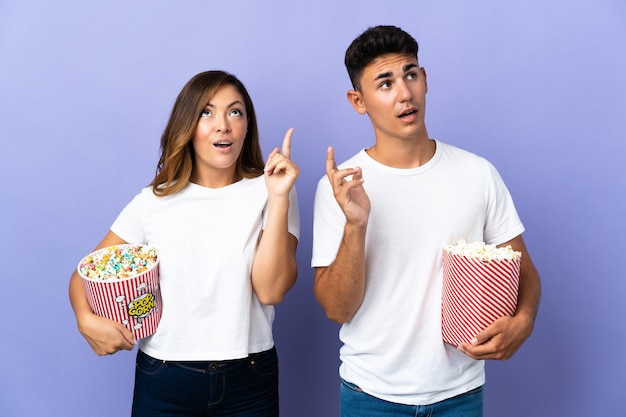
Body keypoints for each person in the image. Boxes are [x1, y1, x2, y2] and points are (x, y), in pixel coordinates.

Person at [312, 25, 541, 416]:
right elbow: (337, 310)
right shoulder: (341, 187)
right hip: (371, 396)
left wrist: (524, 321)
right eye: (385, 83)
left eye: (411, 75)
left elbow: (524, 271)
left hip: (460, 396)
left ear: (425, 79)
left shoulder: (477, 173)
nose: (405, 93)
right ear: (358, 101)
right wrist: (356, 225)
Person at [69, 70, 300, 416]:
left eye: (235, 112)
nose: (223, 124)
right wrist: (84, 319)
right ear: (188, 125)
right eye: (207, 112)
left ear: (247, 126)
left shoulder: (273, 189)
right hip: (164, 377)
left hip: (249, 377)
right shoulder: (154, 201)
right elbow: (84, 275)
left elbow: (271, 291)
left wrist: (279, 199)